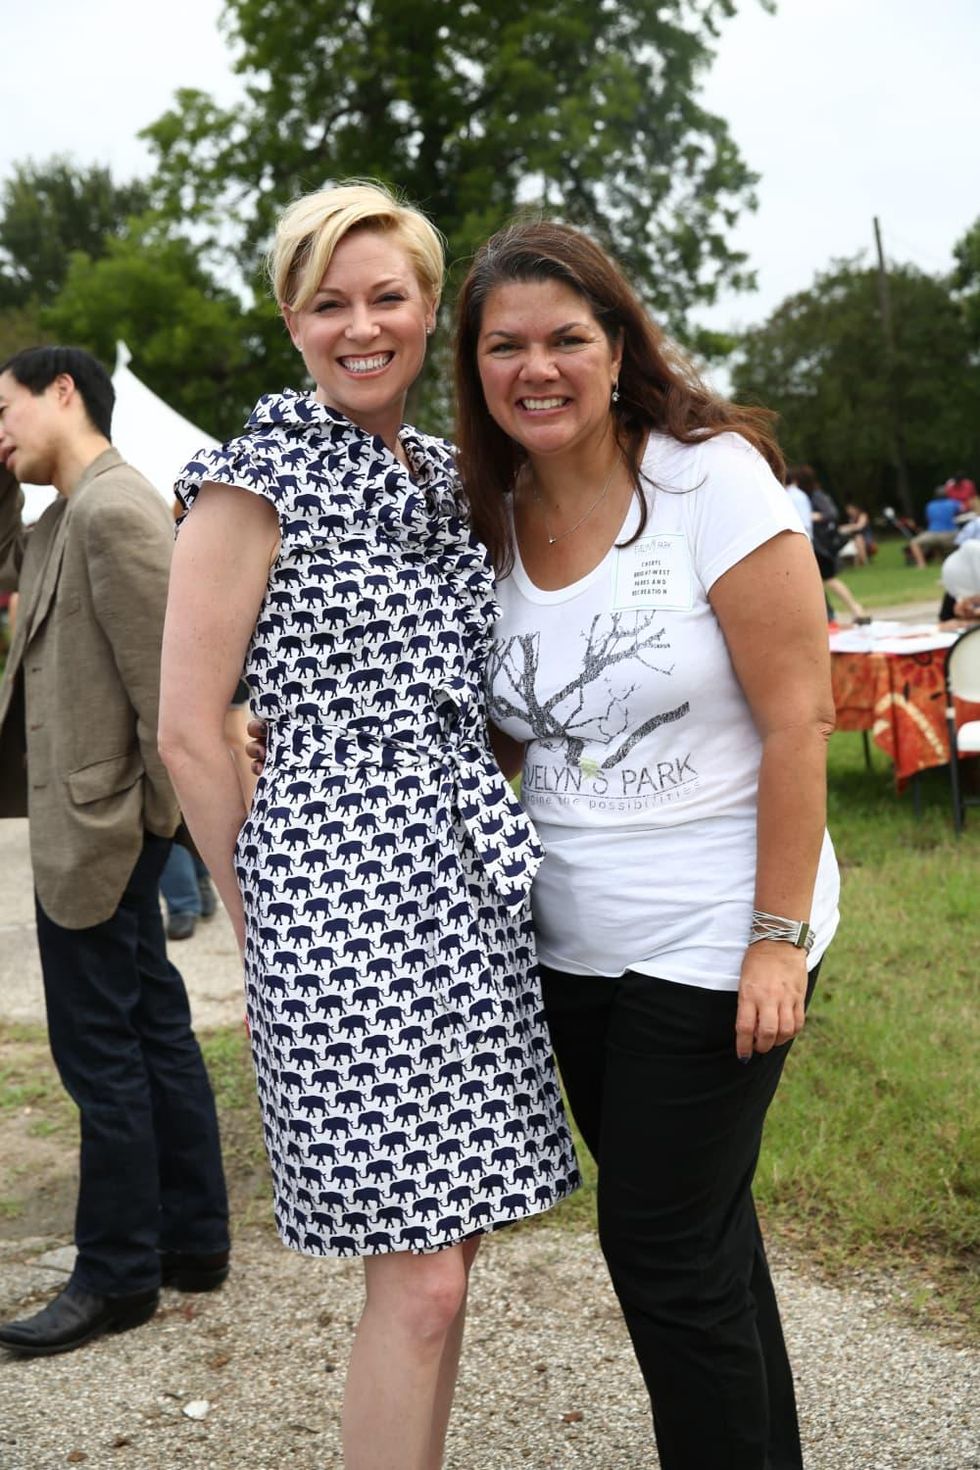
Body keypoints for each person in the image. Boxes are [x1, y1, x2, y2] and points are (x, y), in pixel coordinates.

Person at [157, 183, 578, 1470]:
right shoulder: (257, 472)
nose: (360, 325)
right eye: (328, 303)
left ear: (426, 308)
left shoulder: (454, 470)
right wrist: (262, 904)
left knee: (448, 1257)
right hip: (333, 896)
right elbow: (187, 724)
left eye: (385, 297)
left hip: (457, 885)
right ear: (290, 319)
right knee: (421, 1278)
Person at [453, 221, 841, 1470]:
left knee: (660, 1249)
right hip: (571, 944)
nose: (537, 367)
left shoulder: (707, 477)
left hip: (715, 930)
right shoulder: (488, 513)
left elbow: (799, 717)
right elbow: (516, 734)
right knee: (701, 1241)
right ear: (474, 366)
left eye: (566, 337)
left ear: (617, 347)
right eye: (504, 345)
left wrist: (774, 941)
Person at [0, 347, 229, 1358]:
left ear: (62, 392)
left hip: (105, 835)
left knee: (104, 1056)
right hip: (94, 829)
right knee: (152, 1031)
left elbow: (169, 696)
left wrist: (154, 829)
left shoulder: (114, 508)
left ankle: (117, 1273)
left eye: (0, 409)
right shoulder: (62, 514)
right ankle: (193, 1241)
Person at [794, 465, 866, 620]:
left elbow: (831, 514)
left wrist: (811, 516)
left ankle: (855, 609)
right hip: (815, 543)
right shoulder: (807, 496)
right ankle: (831, 614)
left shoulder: (815, 496)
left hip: (819, 545)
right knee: (818, 581)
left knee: (828, 579)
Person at [908, 487, 959, 568]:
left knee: (914, 543)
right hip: (951, 535)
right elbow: (961, 511)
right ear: (946, 495)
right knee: (965, 540)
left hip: (934, 534)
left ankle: (921, 565)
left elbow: (929, 519)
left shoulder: (930, 505)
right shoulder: (953, 503)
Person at [838, 501, 874, 565]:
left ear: (855, 508)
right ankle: (859, 563)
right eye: (848, 510)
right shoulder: (850, 518)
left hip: (866, 537)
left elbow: (859, 526)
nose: (849, 511)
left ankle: (864, 562)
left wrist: (847, 527)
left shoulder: (863, 515)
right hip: (854, 538)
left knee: (858, 539)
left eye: (850, 509)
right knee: (856, 540)